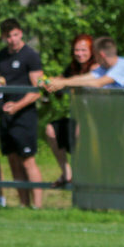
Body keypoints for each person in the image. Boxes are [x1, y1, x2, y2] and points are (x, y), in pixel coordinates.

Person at [0, 18, 45, 209]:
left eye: (15, 34)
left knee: (28, 160)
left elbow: (38, 88)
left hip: (24, 115)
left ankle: (38, 206)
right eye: (8, 36)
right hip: (5, 115)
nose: (12, 39)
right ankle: (23, 203)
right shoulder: (0, 56)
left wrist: (18, 105)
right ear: (3, 37)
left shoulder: (30, 56)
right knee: (13, 160)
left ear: (21, 33)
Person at [42, 34, 96, 187]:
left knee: (80, 132)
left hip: (96, 120)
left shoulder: (97, 67)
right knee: (51, 130)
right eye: (76, 50)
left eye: (84, 50)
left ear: (92, 51)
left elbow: (90, 80)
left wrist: (64, 83)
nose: (79, 54)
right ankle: (67, 173)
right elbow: (59, 80)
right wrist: (48, 83)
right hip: (79, 118)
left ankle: (84, 177)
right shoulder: (72, 67)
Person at [44, 35, 124, 91]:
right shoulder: (104, 68)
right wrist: (60, 81)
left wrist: (64, 82)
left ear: (101, 55)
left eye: (95, 55)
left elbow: (97, 83)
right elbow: (82, 78)